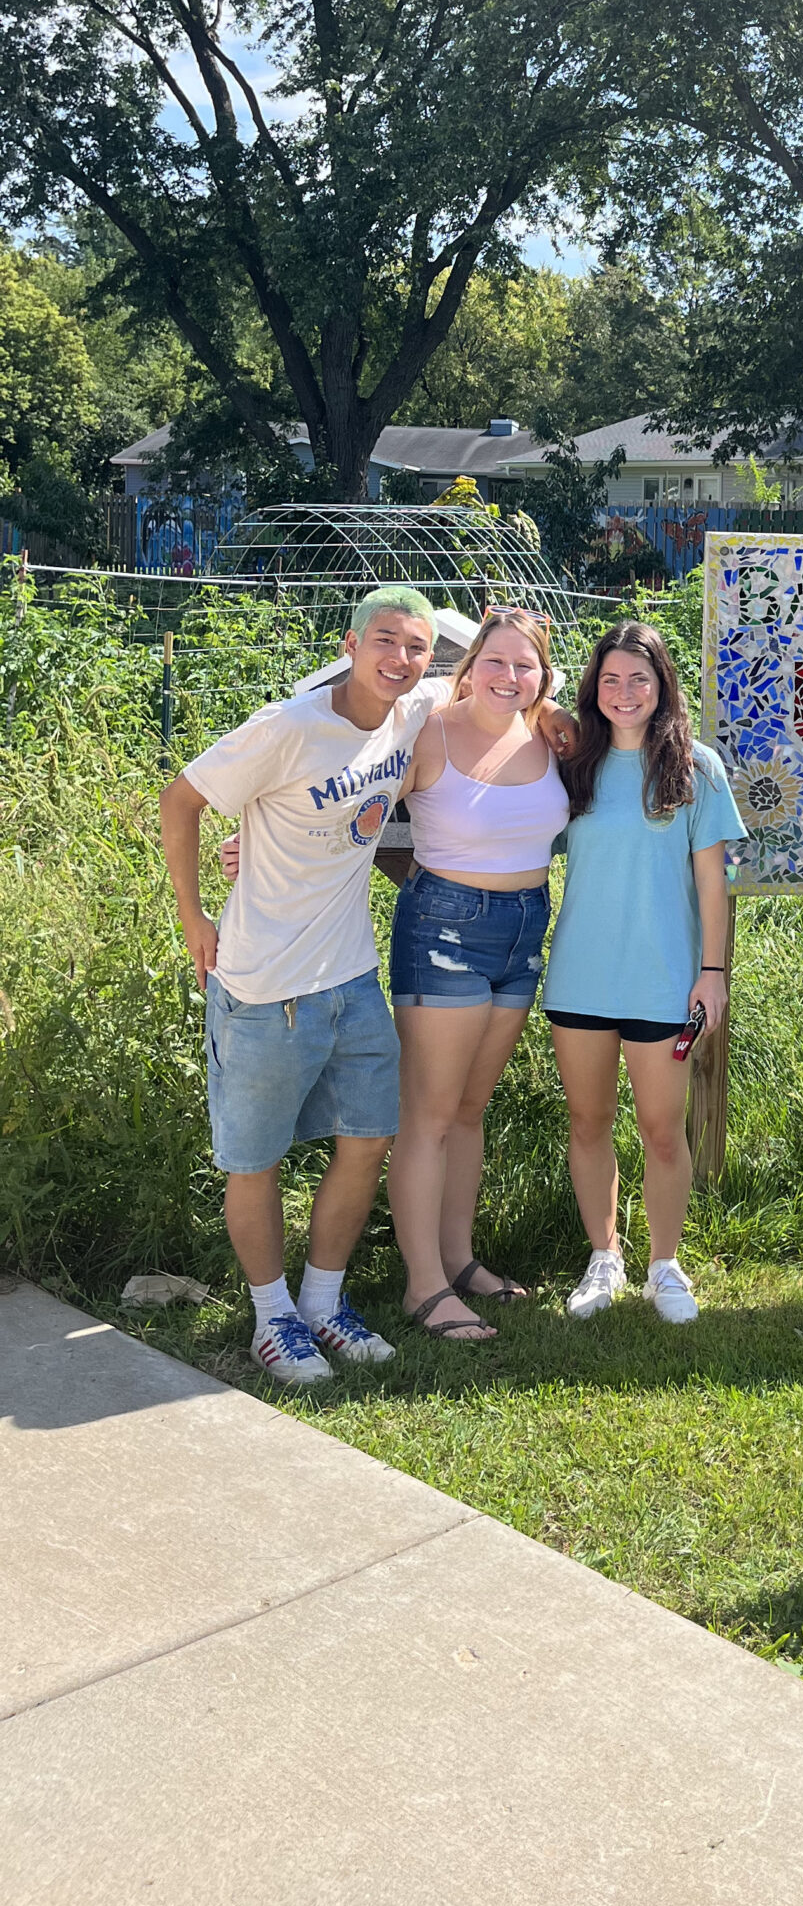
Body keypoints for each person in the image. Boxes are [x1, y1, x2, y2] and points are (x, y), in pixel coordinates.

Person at [160, 587, 449, 1384]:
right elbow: (179, 798)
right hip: (263, 987)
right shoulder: (287, 728)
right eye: (384, 641)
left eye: (416, 646)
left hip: (352, 981)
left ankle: (324, 1301)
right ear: (350, 645)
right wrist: (193, 916)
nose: (400, 659)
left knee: (367, 1142)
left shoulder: (412, 706)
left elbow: (500, 655)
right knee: (254, 1163)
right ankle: (271, 1317)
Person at [542, 621, 746, 1327]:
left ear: (662, 687)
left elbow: (713, 884)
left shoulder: (696, 767)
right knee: (588, 1120)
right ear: (592, 689)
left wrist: (712, 971)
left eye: (639, 678)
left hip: (665, 980)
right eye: (610, 679)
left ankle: (665, 1264)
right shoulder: (571, 768)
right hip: (580, 979)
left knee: (663, 1130)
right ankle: (605, 1257)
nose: (624, 692)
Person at [386, 609, 571, 1342]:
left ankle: (458, 1262)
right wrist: (264, 842)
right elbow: (356, 806)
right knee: (428, 1116)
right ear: (471, 666)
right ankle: (422, 1286)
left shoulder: (550, 735)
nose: (509, 676)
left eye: (525, 666)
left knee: (468, 1110)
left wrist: (551, 707)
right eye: (495, 661)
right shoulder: (427, 731)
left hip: (525, 928)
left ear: (542, 675)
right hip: (443, 929)